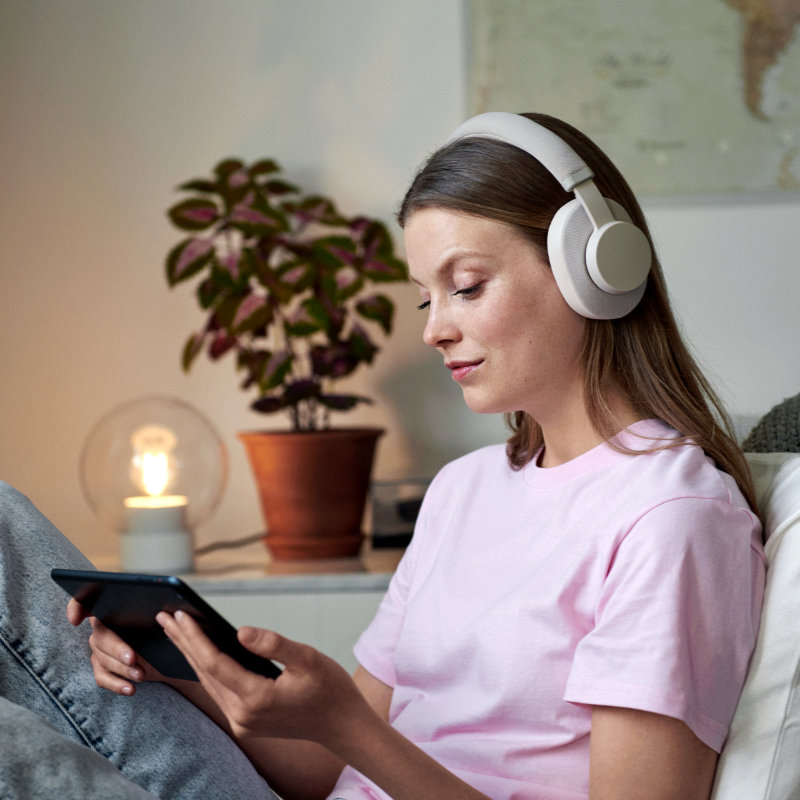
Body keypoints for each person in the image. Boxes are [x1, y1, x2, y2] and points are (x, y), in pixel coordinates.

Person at [0, 112, 764, 800]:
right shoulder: (465, 490)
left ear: (592, 270)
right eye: (426, 298)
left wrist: (350, 728)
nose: (434, 330)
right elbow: (326, 765)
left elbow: (351, 740)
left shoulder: (671, 517)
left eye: (466, 286)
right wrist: (187, 667)